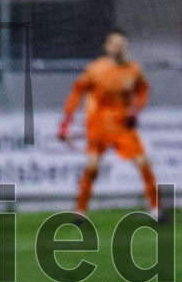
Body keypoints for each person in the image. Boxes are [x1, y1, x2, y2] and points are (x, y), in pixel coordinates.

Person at [58, 29, 160, 220]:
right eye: (115, 43)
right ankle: (80, 212)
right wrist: (65, 125)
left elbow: (143, 90)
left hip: (123, 126)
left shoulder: (133, 70)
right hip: (99, 125)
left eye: (122, 44)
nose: (119, 47)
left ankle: (156, 210)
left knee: (144, 164)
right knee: (92, 168)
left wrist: (136, 110)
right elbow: (76, 94)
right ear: (107, 46)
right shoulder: (96, 70)